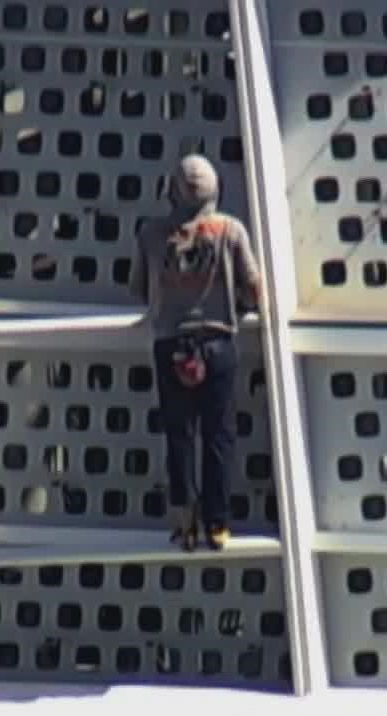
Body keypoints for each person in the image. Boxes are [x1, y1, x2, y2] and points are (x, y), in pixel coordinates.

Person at [130, 154, 264, 552]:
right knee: (219, 436)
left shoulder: (151, 233)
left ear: (171, 191)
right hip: (218, 344)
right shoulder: (229, 229)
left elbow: (138, 288)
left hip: (171, 345)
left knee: (179, 436)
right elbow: (254, 287)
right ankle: (217, 523)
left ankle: (184, 520)